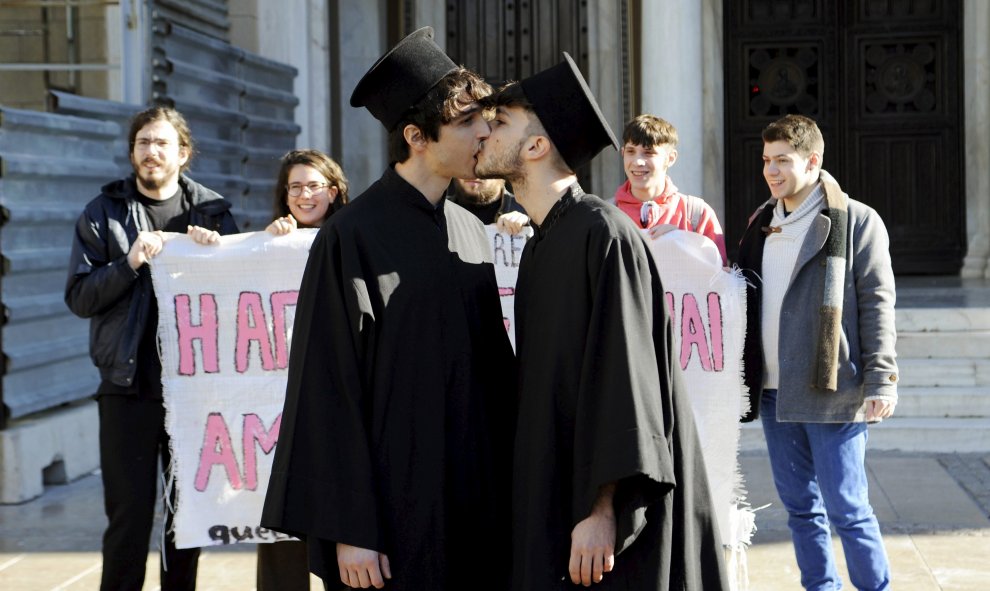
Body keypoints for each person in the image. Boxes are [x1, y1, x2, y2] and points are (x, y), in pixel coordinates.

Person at [260, 27, 516, 591]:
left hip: (475, 512)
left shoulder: (469, 230)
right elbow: (326, 388)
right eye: (468, 120)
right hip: (391, 525)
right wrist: (352, 530)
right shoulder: (350, 238)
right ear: (417, 135)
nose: (484, 132)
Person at [475, 53, 729, 590]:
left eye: (499, 124)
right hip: (562, 499)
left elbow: (628, 378)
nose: (484, 133)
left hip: (604, 524)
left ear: (536, 146)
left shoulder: (603, 234)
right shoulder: (545, 238)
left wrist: (602, 509)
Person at [65, 106, 238, 591]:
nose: (151, 151)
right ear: (132, 151)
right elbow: (79, 297)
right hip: (126, 388)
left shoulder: (212, 211)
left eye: (162, 143)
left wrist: (217, 253)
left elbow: (239, 296)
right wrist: (130, 261)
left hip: (194, 395)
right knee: (128, 521)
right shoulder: (102, 213)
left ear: (183, 153)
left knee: (186, 523)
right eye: (143, 142)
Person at [736, 114, 897, 591]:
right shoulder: (761, 222)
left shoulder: (856, 220)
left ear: (812, 160)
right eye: (766, 160)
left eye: (782, 160)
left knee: (848, 509)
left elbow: (876, 301)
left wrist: (882, 377)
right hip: (773, 393)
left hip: (832, 389)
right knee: (801, 511)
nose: (771, 171)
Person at [256, 148, 349, 591]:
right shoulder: (270, 244)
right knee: (283, 523)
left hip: (333, 399)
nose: (304, 194)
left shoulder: (354, 238)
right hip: (275, 409)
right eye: (295, 186)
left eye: (314, 185)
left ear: (334, 191)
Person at [612, 114, 728, 264]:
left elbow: (718, 277)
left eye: (648, 153)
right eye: (630, 151)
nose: (638, 161)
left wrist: (681, 241)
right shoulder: (605, 214)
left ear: (671, 158)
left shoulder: (697, 214)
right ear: (623, 154)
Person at [446, 177, 529, 234]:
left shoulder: (529, 212)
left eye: (482, 162)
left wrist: (528, 226)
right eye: (465, 161)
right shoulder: (437, 212)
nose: (473, 171)